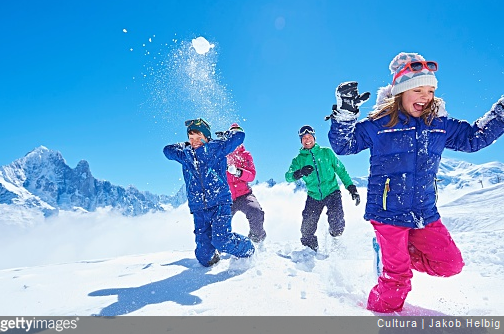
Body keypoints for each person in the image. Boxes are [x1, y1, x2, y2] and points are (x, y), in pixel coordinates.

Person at [327, 52, 504, 313]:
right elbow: (344, 145)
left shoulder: (440, 125)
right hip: (388, 214)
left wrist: (501, 112)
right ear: (400, 92)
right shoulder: (380, 125)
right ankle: (376, 316)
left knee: (450, 264)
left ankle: (395, 255)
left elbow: (474, 139)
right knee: (397, 282)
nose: (426, 96)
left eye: (430, 90)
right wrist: (345, 114)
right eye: (418, 89)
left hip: (424, 213)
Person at [163, 118, 255, 267]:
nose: (195, 142)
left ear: (207, 137)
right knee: (203, 256)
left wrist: (229, 135)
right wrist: (183, 146)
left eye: (199, 138)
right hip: (199, 208)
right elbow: (167, 151)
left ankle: (248, 248)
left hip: (219, 203)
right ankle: (214, 257)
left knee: (222, 240)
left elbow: (239, 136)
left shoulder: (217, 148)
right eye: (191, 138)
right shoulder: (186, 155)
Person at [285, 125, 360, 252]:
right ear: (301, 141)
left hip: (332, 192)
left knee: (337, 224)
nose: (307, 140)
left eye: (309, 137)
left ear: (314, 138)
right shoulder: (298, 160)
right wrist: (299, 172)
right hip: (314, 196)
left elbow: (340, 170)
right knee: (306, 229)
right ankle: (310, 252)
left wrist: (351, 187)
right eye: (304, 138)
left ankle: (336, 244)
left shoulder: (326, 153)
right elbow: (288, 177)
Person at [218, 123, 267, 243]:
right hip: (226, 198)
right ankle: (218, 246)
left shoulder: (246, 155)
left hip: (244, 195)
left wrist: (238, 172)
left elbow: (251, 175)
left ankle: (257, 239)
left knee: (256, 212)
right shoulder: (223, 154)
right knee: (219, 222)